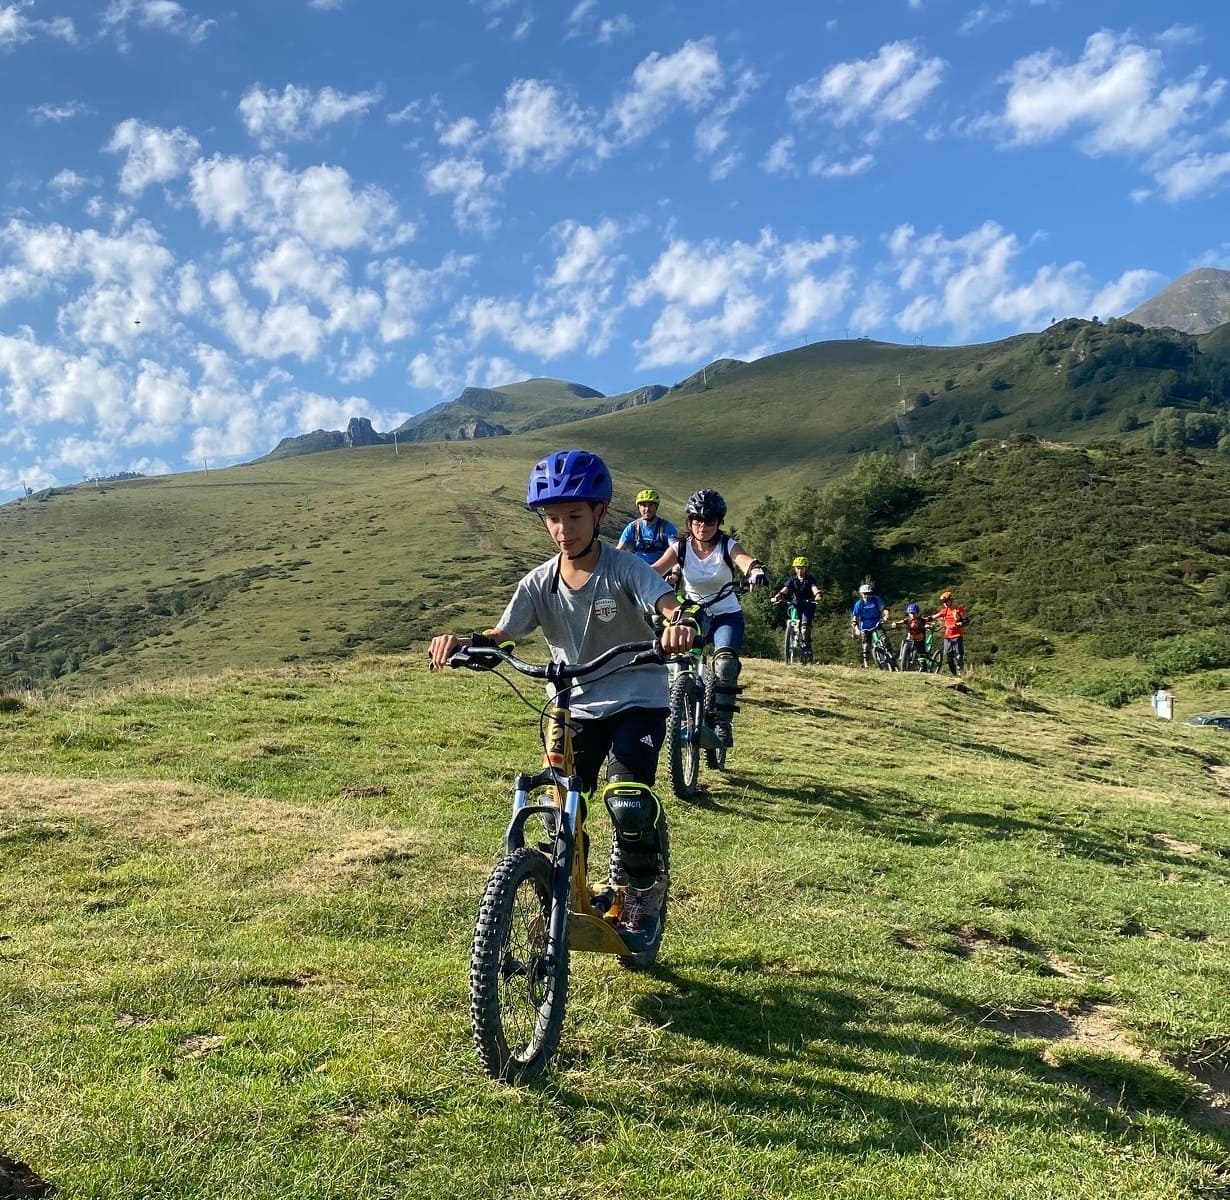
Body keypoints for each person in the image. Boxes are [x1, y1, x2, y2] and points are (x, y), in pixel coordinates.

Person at [428, 450, 696, 950]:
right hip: (571, 703)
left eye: (574, 516)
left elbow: (665, 603)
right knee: (560, 810)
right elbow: (503, 634)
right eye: (552, 518)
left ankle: (643, 894)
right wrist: (465, 644)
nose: (563, 529)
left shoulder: (624, 568)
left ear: (599, 512)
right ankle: (568, 896)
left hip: (636, 697)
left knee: (629, 801)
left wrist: (676, 624)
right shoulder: (539, 582)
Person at [650, 488, 768, 748]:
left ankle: (723, 723)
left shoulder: (727, 545)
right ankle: (678, 706)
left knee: (725, 665)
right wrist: (633, 580)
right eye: (697, 520)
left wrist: (755, 570)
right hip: (694, 610)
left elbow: (746, 560)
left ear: (719, 522)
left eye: (709, 520)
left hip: (727, 613)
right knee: (679, 658)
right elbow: (655, 570)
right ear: (689, 521)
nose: (702, 526)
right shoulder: (680, 547)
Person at [771, 556, 822, 663]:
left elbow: (814, 588)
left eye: (802, 568)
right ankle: (790, 640)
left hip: (808, 604)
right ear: (795, 569)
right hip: (795, 604)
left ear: (806, 568)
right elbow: (785, 589)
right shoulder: (792, 580)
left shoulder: (810, 579)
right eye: (797, 568)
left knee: (804, 627)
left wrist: (817, 595)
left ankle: (806, 646)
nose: (799, 570)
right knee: (793, 623)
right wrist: (778, 596)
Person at [616, 488, 678, 569]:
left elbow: (676, 552)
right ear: (639, 508)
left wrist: (675, 573)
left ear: (656, 507)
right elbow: (619, 550)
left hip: (661, 573)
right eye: (644, 505)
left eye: (650, 505)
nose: (647, 509)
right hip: (637, 571)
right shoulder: (633, 527)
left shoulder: (667, 527)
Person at [928, 588, 968, 675]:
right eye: (943, 602)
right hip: (948, 636)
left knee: (959, 656)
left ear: (951, 600)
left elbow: (966, 620)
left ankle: (961, 671)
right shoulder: (944, 611)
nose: (945, 603)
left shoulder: (959, 610)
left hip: (957, 635)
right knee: (949, 657)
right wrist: (924, 620)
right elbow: (934, 616)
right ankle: (954, 674)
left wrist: (960, 624)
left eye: (946, 601)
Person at [850, 582, 891, 668]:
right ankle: (866, 663)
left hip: (876, 622)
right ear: (861, 594)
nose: (867, 596)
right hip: (865, 626)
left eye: (869, 594)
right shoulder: (859, 604)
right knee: (866, 645)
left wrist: (886, 616)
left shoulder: (876, 599)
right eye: (865, 594)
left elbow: (884, 608)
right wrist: (856, 629)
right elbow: (855, 618)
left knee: (884, 638)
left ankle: (890, 654)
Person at [892, 602, 930, 670]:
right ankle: (903, 658)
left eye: (913, 613)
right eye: (910, 613)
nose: (912, 615)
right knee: (905, 643)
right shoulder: (908, 620)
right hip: (912, 638)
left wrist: (927, 626)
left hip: (920, 639)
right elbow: (902, 621)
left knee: (922, 655)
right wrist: (896, 623)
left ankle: (924, 668)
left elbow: (926, 622)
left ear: (917, 613)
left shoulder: (921, 620)